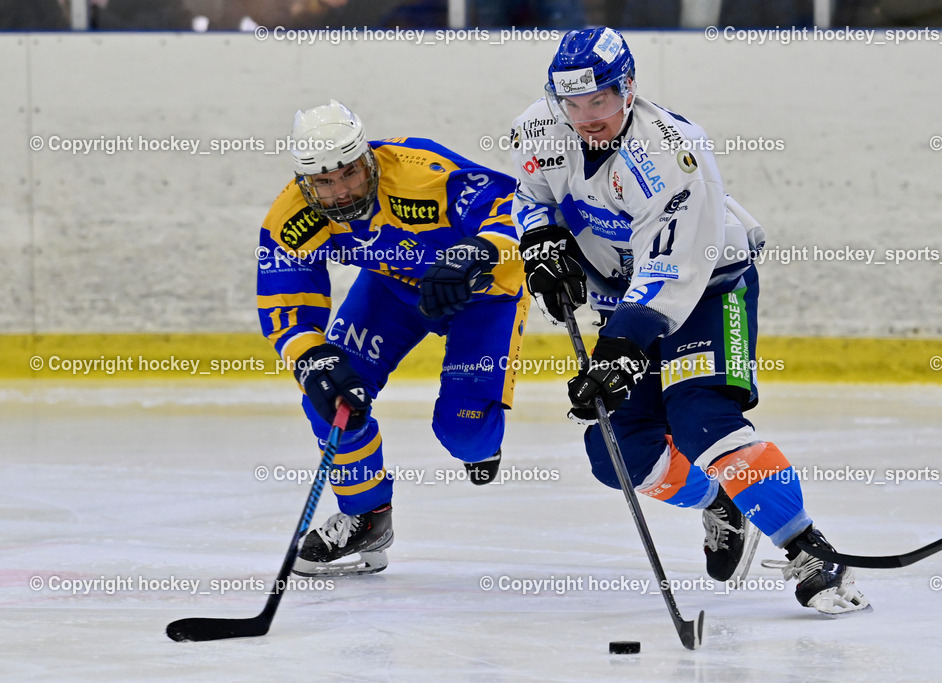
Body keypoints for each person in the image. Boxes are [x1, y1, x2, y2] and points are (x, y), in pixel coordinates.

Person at [510, 27, 870, 614]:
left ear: (627, 88)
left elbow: (672, 269)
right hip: (624, 300)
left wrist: (622, 348)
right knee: (617, 452)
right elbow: (531, 197)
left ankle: (809, 548)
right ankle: (721, 503)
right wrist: (540, 240)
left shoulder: (672, 152)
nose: (587, 118)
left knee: (702, 419)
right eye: (572, 104)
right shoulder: (538, 128)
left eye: (599, 100)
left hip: (706, 287)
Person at [258, 100, 527, 576]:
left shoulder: (420, 170)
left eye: (349, 172)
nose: (342, 191)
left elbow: (513, 208)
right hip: (391, 290)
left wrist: (474, 252)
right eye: (324, 181)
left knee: (463, 434)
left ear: (368, 159)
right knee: (330, 395)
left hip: (482, 294)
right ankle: (368, 516)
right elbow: (287, 307)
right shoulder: (292, 216)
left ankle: (480, 445)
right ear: (305, 181)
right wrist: (312, 359)